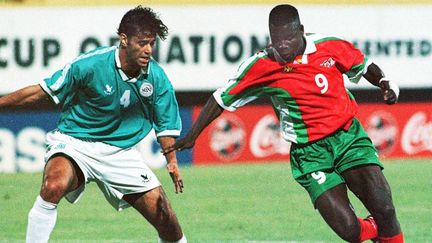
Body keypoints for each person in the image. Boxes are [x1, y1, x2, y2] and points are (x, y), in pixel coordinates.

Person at [163, 4, 403, 243]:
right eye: (277, 40)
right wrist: (193, 135)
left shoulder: (328, 45)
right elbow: (221, 98)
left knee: (385, 209)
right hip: (310, 155)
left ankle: (384, 225)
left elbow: (363, 65)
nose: (283, 45)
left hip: (348, 138)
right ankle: (379, 228)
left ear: (301, 30)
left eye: (289, 38)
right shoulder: (261, 65)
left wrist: (383, 82)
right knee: (351, 232)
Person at [0, 6, 187, 243]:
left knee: (165, 218)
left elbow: (165, 124)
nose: (148, 50)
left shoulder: (157, 78)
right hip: (76, 142)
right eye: (142, 43)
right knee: (52, 186)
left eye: (152, 43)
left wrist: (171, 160)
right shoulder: (89, 65)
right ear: (124, 40)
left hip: (120, 153)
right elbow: (41, 92)